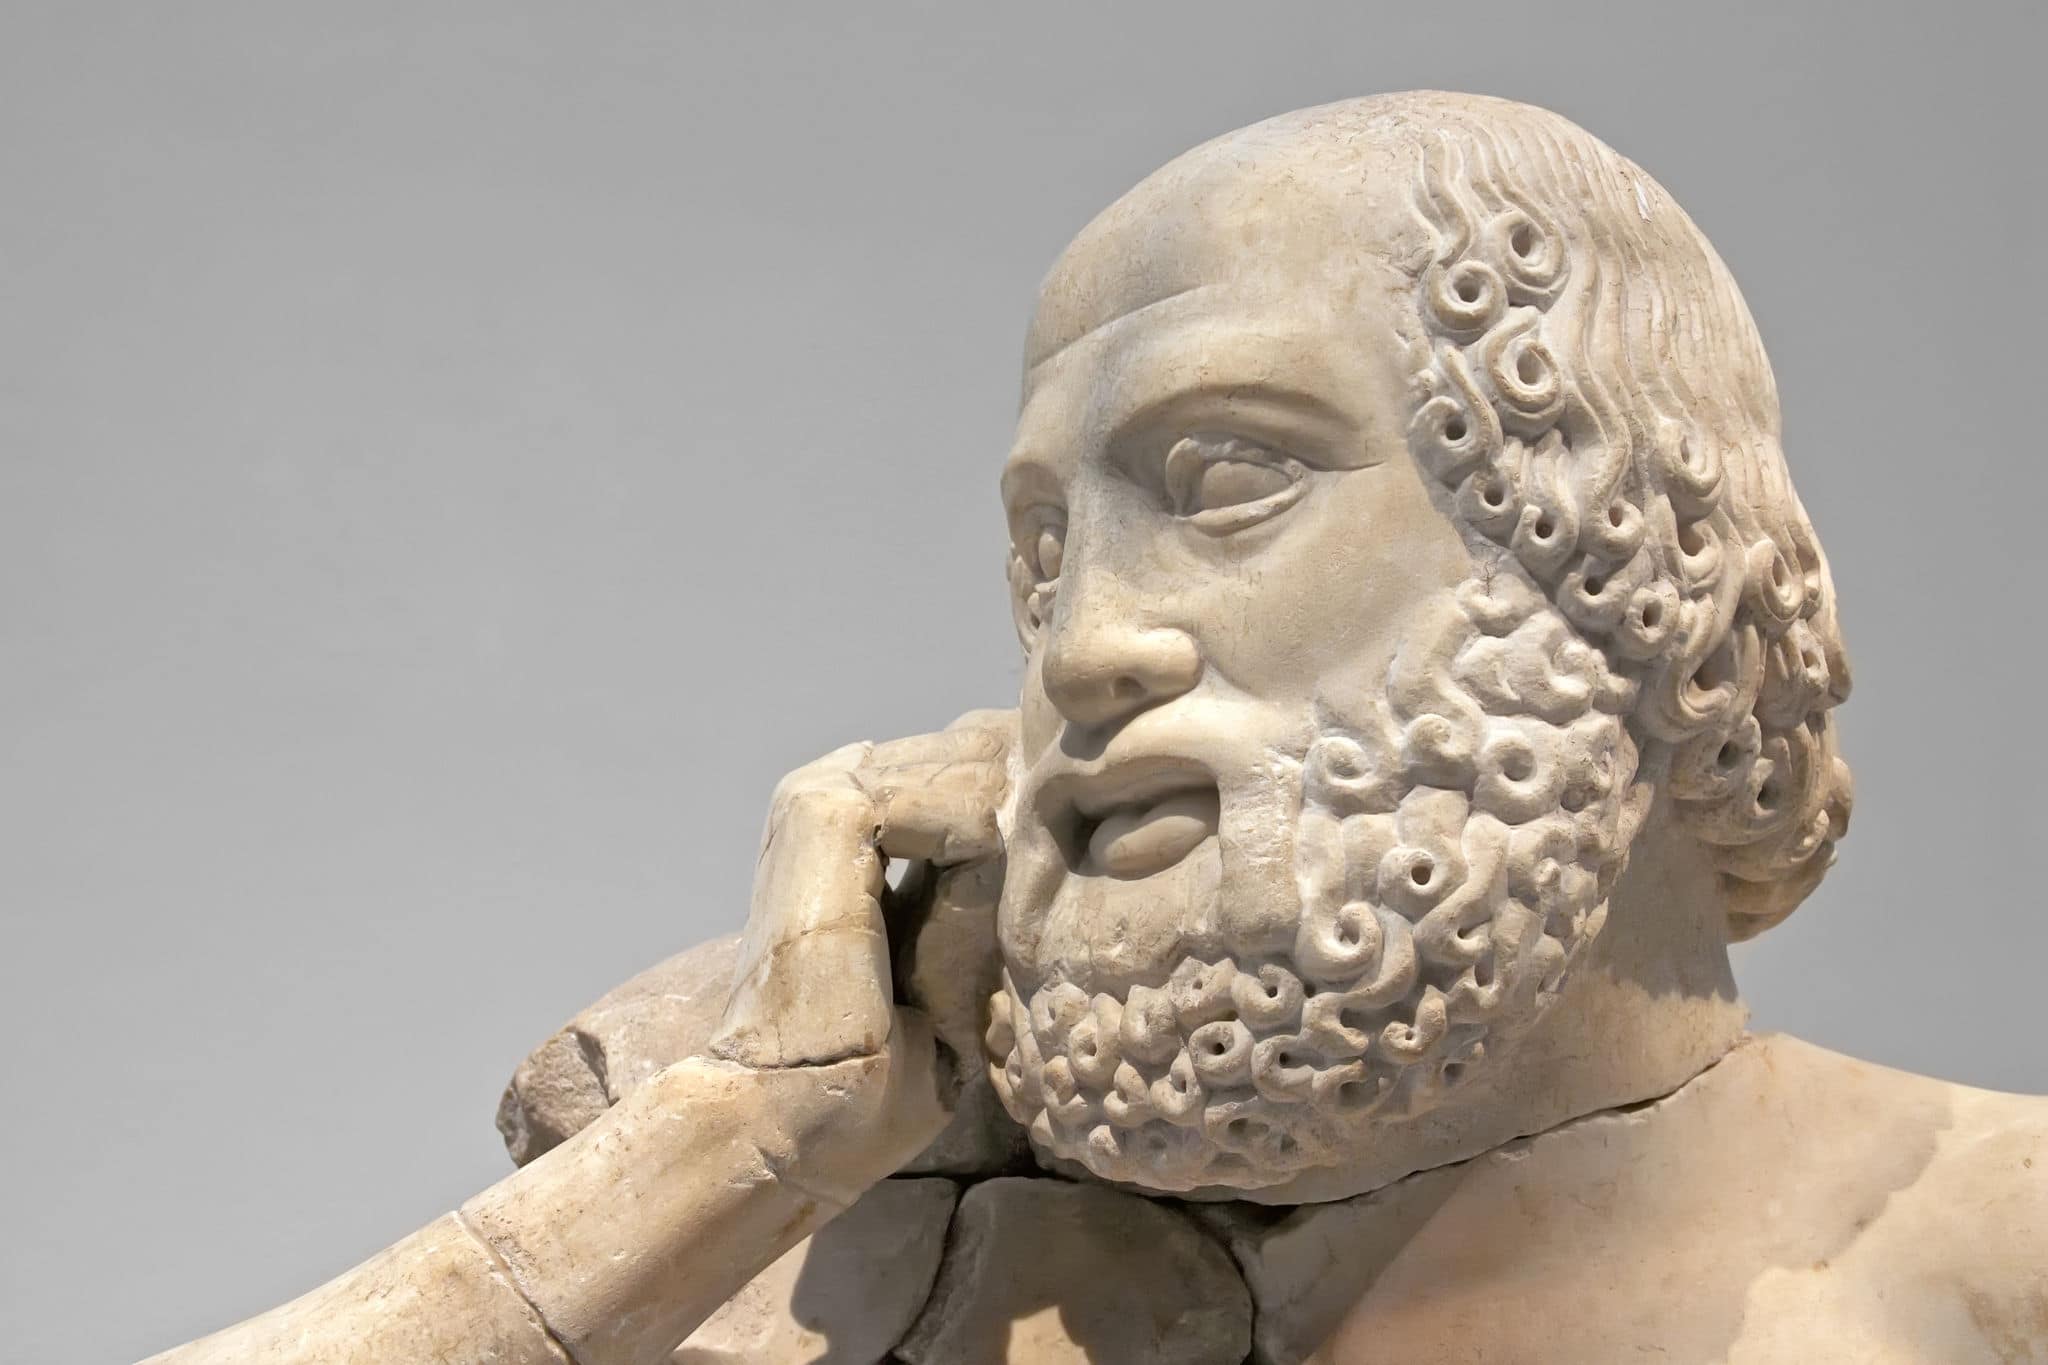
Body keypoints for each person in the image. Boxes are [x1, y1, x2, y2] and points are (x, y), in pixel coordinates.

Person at [147, 91, 2047, 1365]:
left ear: (1636, 545)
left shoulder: (1987, 1247)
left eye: (1227, 479)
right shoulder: (782, 1245)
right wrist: (732, 1145)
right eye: (1044, 552)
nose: (1083, 647)